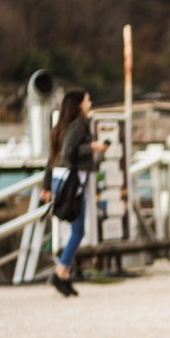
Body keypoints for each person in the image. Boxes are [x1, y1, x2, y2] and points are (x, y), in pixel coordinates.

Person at [40, 90, 107, 297]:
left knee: (76, 230)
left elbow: (53, 157)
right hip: (73, 185)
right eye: (87, 99)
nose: (90, 102)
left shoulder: (62, 126)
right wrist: (92, 147)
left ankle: (65, 276)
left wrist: (47, 185)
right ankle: (61, 271)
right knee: (78, 231)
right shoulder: (78, 125)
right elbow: (69, 151)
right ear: (78, 104)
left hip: (62, 182)